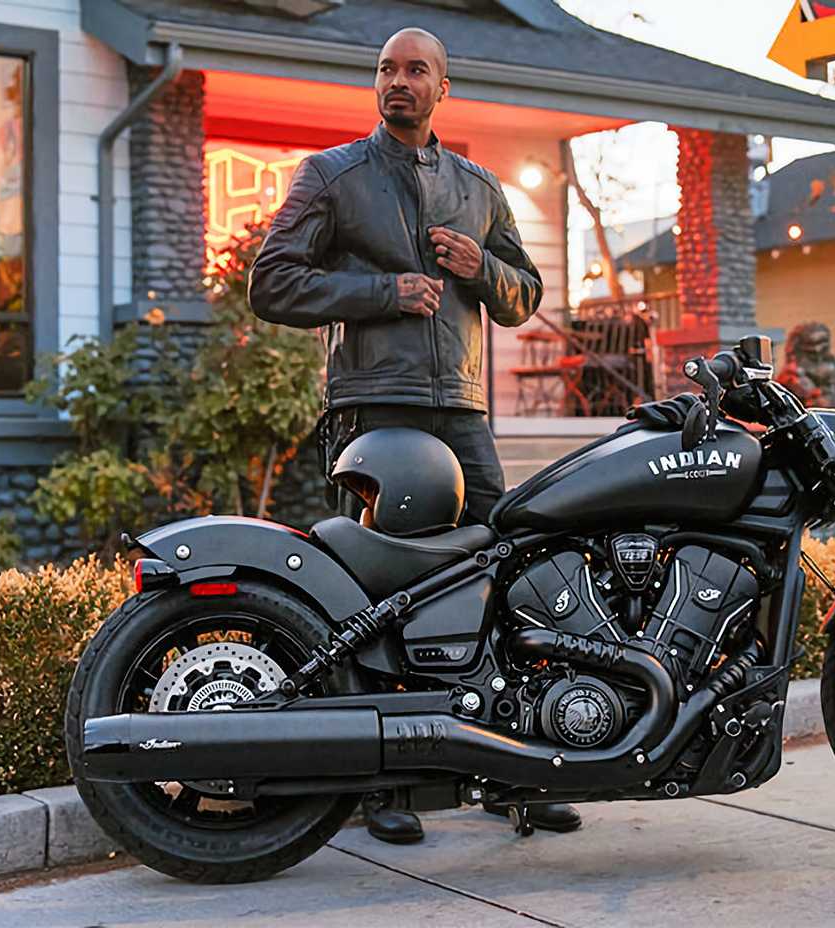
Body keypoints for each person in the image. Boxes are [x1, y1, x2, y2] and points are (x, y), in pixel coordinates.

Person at [249, 26, 581, 845]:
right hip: (373, 406)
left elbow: (524, 294)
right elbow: (271, 282)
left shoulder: (479, 187)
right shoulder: (332, 175)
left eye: (415, 70)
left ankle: (521, 768)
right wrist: (383, 292)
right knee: (374, 593)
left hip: (463, 410)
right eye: (386, 69)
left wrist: (481, 268)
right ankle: (385, 782)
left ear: (443, 86)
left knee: (513, 570)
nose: (397, 81)